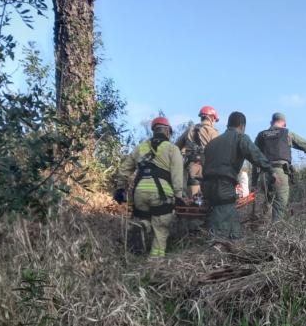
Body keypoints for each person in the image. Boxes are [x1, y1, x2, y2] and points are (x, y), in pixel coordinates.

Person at [113, 116, 185, 257]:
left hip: (139, 193)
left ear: (153, 130)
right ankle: (155, 260)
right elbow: (177, 174)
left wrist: (120, 188)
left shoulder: (141, 147)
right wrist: (178, 196)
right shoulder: (172, 148)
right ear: (168, 131)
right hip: (161, 194)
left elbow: (124, 169)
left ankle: (143, 225)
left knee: (145, 218)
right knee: (161, 228)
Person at [202, 111, 276, 240]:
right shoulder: (240, 138)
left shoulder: (211, 144)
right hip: (223, 186)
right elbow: (255, 155)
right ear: (242, 126)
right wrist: (271, 170)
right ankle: (217, 246)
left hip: (207, 186)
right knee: (221, 224)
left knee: (228, 215)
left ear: (228, 125)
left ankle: (234, 241)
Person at [254, 112, 306, 222]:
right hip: (280, 172)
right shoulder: (286, 133)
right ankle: (276, 228)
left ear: (271, 122)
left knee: (266, 205)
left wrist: (254, 182)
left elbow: (254, 158)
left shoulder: (261, 135)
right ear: (284, 124)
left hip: (264, 175)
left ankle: (264, 228)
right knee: (279, 205)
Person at [175, 105, 220, 197]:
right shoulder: (214, 133)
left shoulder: (189, 130)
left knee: (191, 201)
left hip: (190, 171)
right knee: (206, 202)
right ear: (212, 118)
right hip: (208, 171)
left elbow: (175, 148)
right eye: (215, 120)